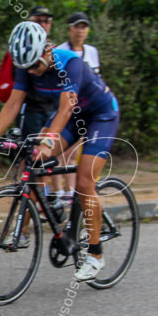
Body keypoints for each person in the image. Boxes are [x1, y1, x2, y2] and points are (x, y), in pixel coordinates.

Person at [0, 21, 121, 282]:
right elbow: (13, 104)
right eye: (26, 68)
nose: (31, 72)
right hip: (70, 118)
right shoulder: (27, 66)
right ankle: (42, 213)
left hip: (100, 116)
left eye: (35, 66)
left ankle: (95, 254)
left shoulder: (70, 63)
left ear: (46, 52)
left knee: (84, 182)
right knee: (32, 160)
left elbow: (66, 107)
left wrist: (48, 140)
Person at [53, 11, 102, 201]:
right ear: (69, 29)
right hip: (66, 106)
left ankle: (72, 191)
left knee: (73, 155)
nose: (80, 31)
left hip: (87, 109)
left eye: (84, 27)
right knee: (58, 153)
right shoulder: (61, 51)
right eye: (76, 27)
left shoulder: (92, 51)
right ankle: (58, 191)